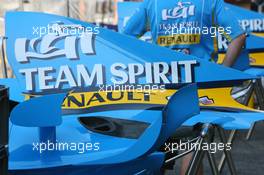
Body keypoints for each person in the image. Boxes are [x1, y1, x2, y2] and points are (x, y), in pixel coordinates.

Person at [122, 0, 246, 174]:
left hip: (163, 87)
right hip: (201, 88)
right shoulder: (209, 2)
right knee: (194, 147)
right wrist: (222, 75)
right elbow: (238, 36)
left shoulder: (153, 3)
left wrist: (145, 65)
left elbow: (124, 38)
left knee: (158, 153)